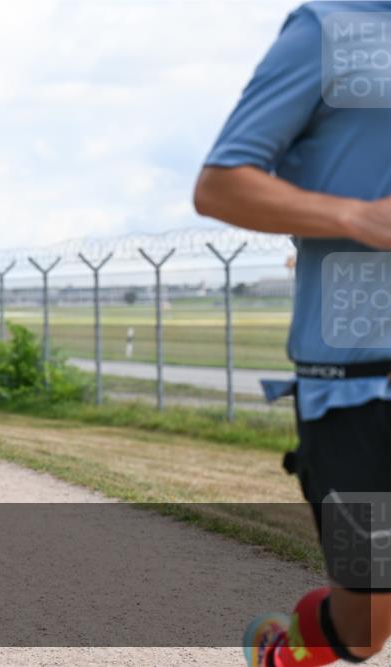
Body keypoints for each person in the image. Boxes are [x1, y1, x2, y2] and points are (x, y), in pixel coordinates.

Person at [193, 3, 391, 665]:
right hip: (358, 386)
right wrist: (357, 216)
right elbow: (219, 185)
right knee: (366, 628)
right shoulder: (329, 29)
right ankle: (285, 649)